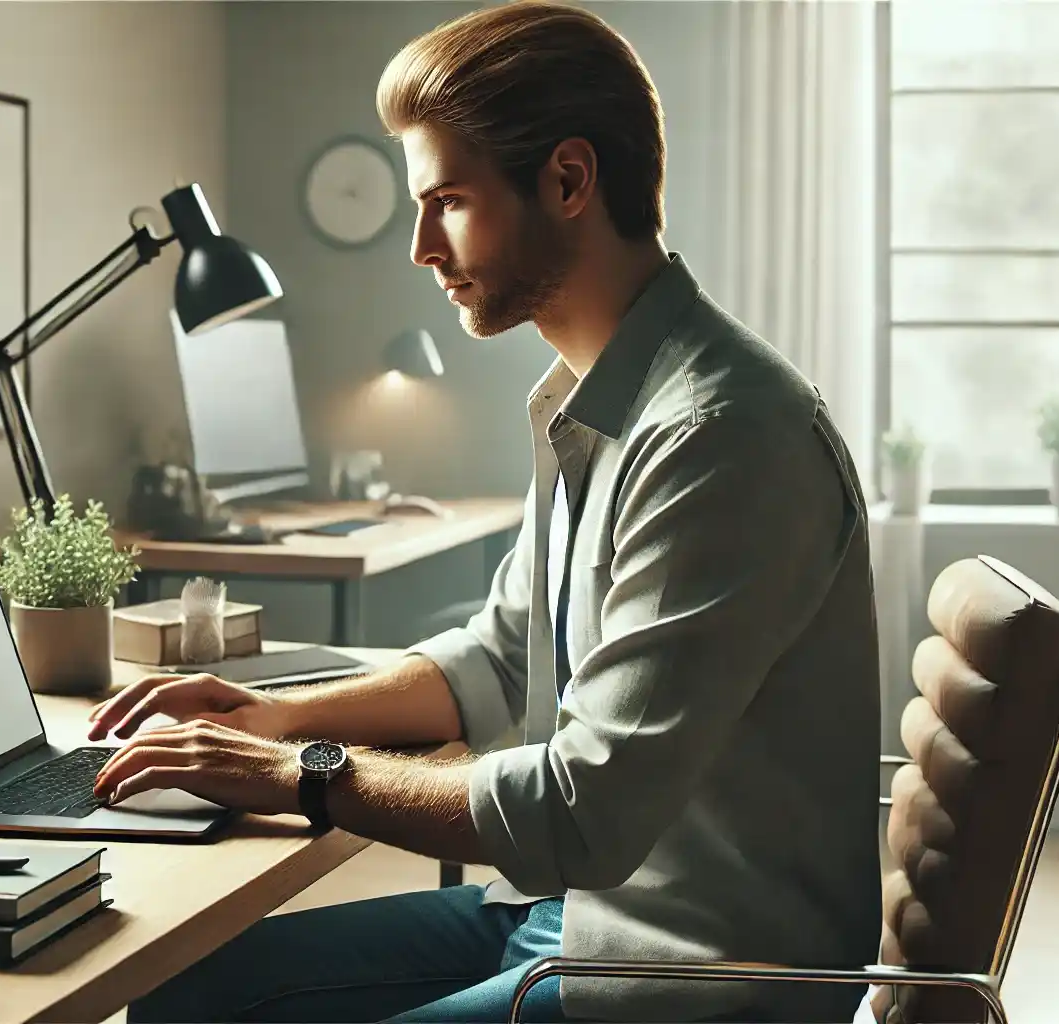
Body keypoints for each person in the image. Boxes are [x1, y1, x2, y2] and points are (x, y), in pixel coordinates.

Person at [89, 3, 882, 1021]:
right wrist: (274, 718)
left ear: (566, 180)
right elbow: (501, 657)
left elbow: (579, 813)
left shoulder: (717, 436)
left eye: (448, 201)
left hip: (688, 973)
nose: (420, 246)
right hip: (577, 912)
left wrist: (299, 773)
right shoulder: (590, 398)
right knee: (179, 994)